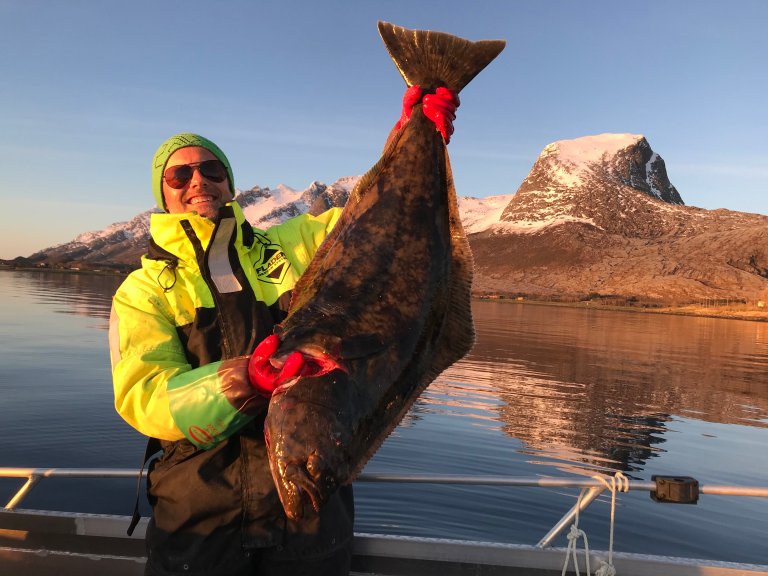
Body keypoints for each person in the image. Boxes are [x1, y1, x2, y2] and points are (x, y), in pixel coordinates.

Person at [109, 89, 458, 576]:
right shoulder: (143, 291)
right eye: (179, 174)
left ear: (230, 183)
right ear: (161, 193)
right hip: (201, 523)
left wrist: (409, 138)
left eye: (213, 170)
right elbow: (144, 397)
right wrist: (244, 381)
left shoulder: (295, 244)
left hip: (311, 522)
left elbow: (379, 227)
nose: (198, 182)